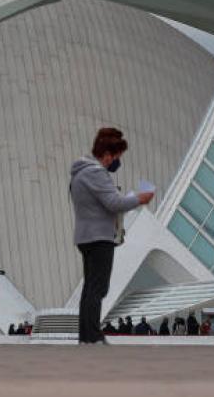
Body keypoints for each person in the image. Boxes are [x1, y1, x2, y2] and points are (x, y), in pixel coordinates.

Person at [68, 127, 153, 344]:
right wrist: (139, 198)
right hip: (99, 238)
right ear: (107, 155)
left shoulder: (80, 173)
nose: (117, 162)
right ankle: (93, 336)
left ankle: (86, 336)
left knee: (90, 289)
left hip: (86, 236)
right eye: (117, 157)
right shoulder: (96, 173)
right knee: (98, 288)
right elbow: (114, 203)